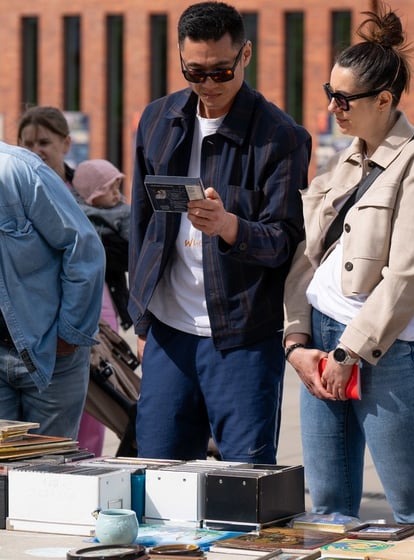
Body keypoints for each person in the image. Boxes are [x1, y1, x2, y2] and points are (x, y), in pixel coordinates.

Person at [283, 5, 414, 527]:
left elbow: (409, 274)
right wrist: (296, 341)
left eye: (345, 98)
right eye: (328, 93)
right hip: (324, 340)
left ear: (384, 99)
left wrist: (349, 350)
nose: (333, 107)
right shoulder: (350, 156)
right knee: (329, 509)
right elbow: (308, 257)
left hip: (389, 350)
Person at [129, 1, 310, 463]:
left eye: (221, 71)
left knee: (243, 482)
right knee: (158, 471)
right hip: (169, 331)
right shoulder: (157, 120)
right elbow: (142, 223)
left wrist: (229, 226)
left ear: (245, 55)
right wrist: (142, 316)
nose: (208, 84)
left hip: (241, 335)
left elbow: (286, 241)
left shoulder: (281, 136)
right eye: (195, 72)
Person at [18, 107, 110, 455]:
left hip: (89, 310)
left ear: (65, 143)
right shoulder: (17, 188)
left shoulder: (84, 188)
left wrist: (75, 329)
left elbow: (105, 247)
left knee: (88, 422)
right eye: (27, 143)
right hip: (35, 318)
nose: (36, 149)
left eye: (44, 141)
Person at [0, 141, 105, 439]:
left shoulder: (19, 170)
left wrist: (69, 333)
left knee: (48, 475)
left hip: (48, 350)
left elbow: (84, 248)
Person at [73, 159, 132, 331]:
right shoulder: (76, 211)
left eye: (117, 188)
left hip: (111, 283)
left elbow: (132, 248)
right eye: (109, 190)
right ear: (92, 194)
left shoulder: (122, 212)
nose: (116, 194)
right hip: (86, 288)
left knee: (109, 323)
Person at [17, 106, 75, 186]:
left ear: (66, 144)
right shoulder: (9, 191)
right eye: (29, 144)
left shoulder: (87, 189)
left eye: (44, 143)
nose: (35, 152)